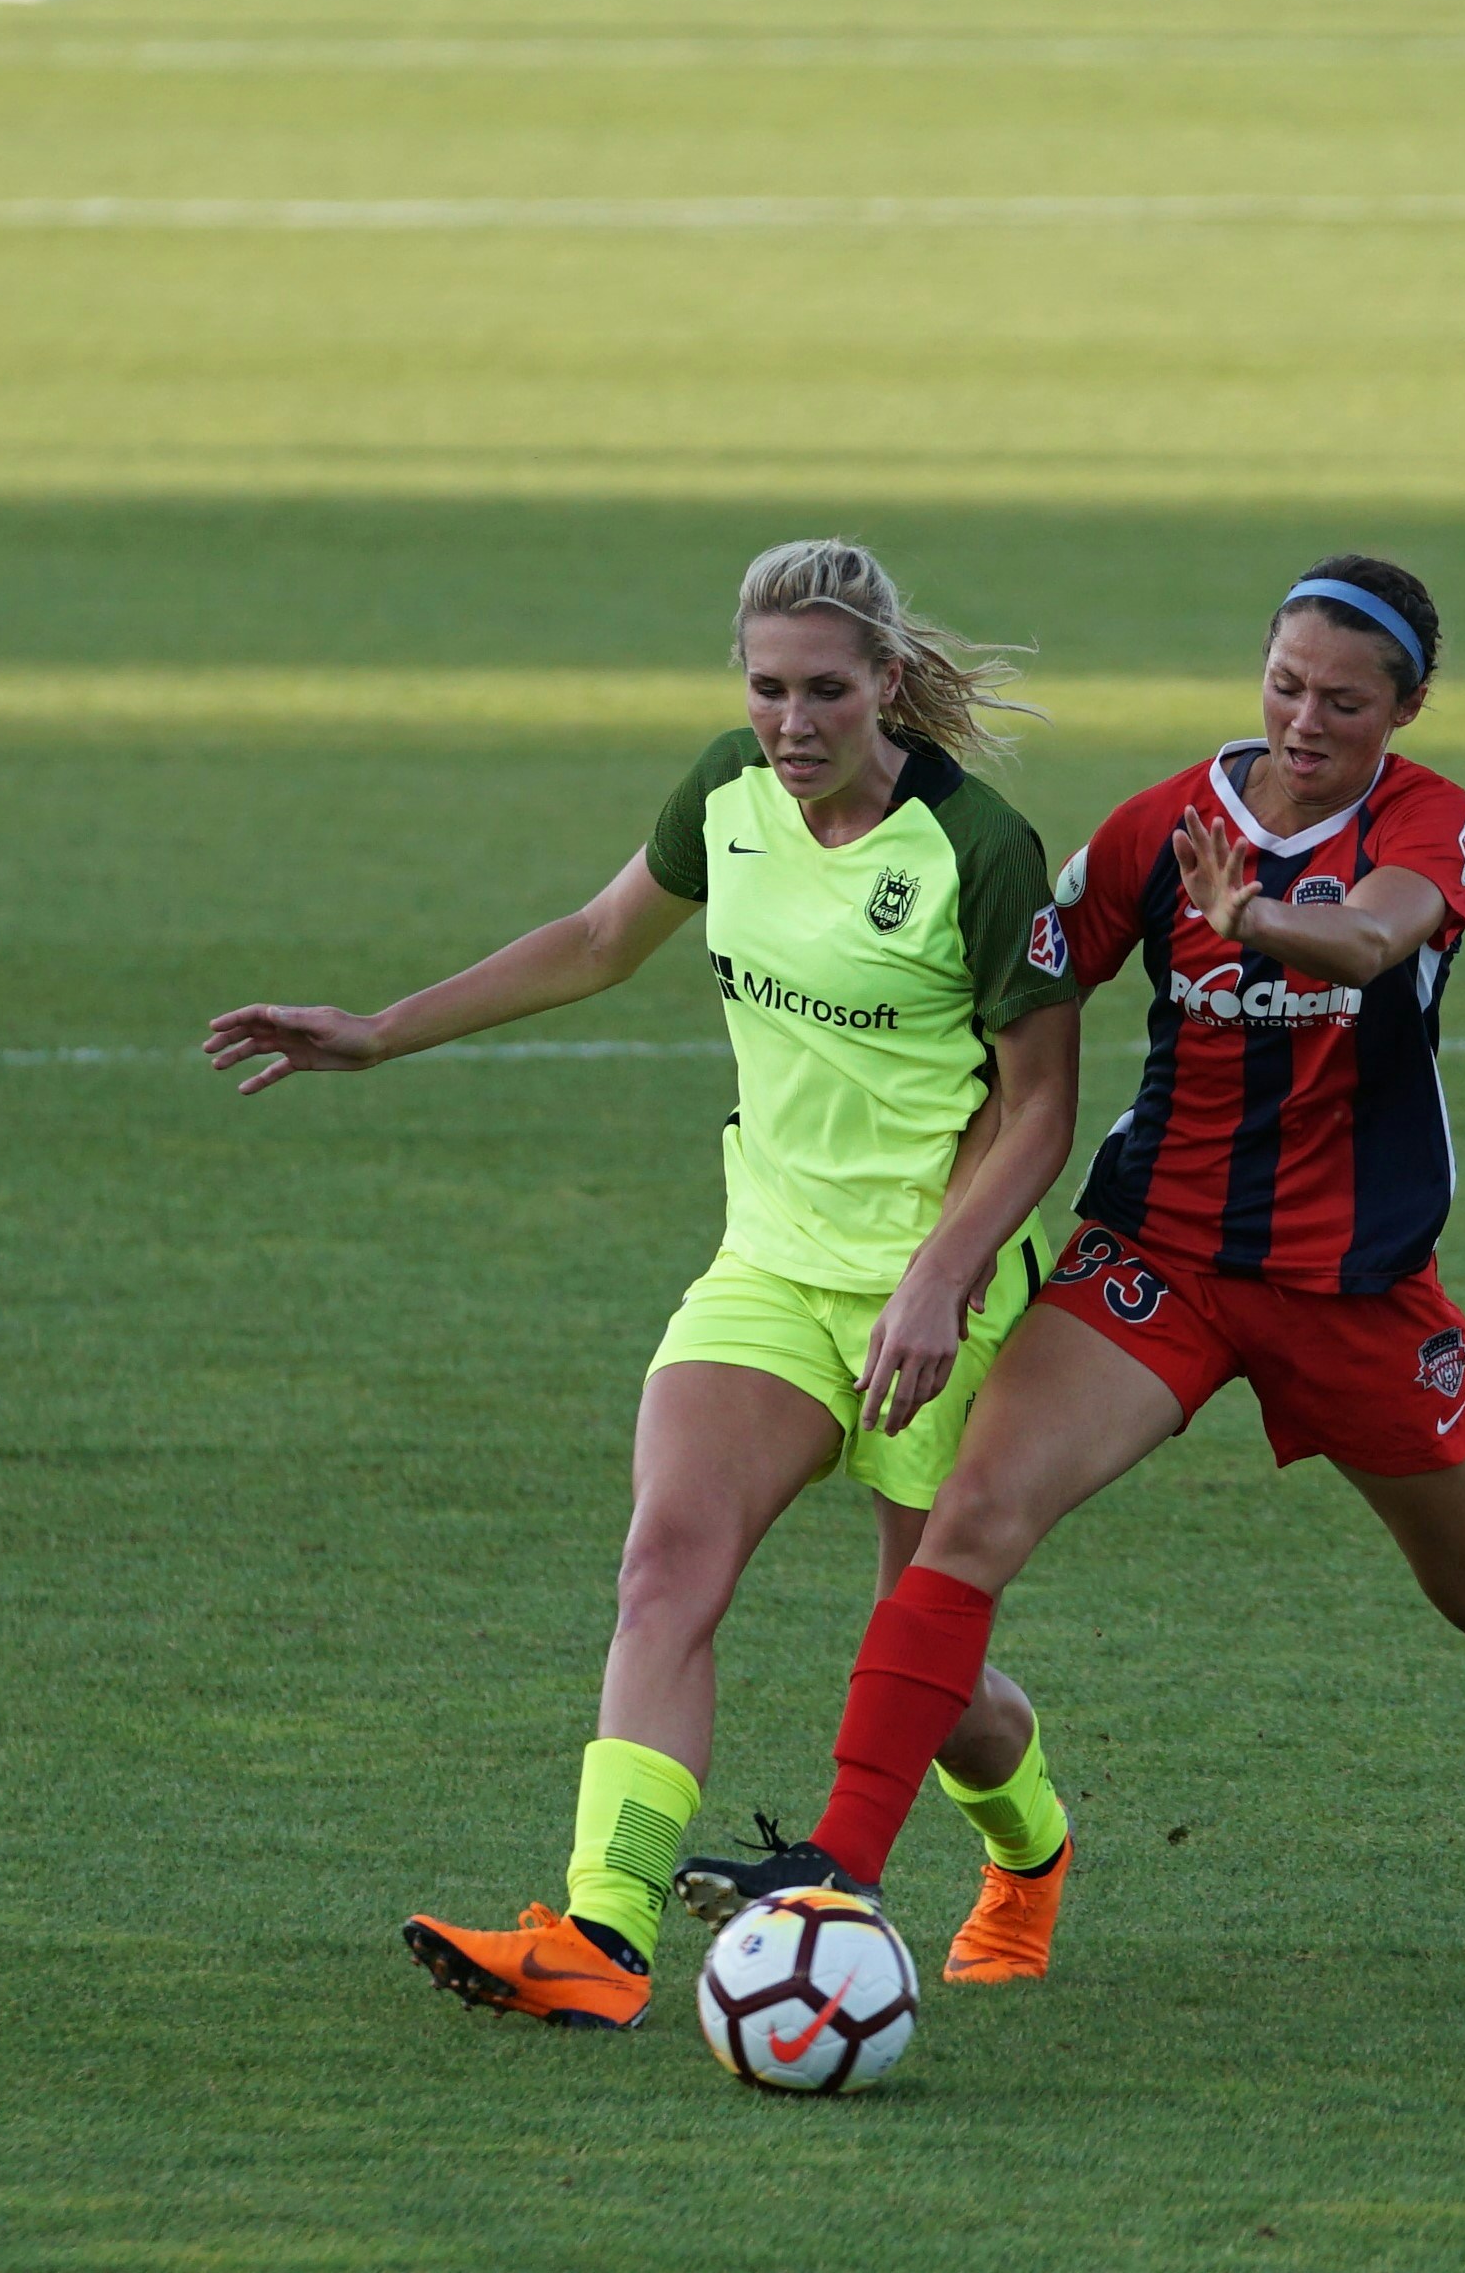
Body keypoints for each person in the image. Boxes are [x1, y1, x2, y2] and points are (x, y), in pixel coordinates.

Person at [677, 555, 1465, 1934]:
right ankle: (841, 1861)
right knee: (971, 1521)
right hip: (1157, 1260)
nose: (1304, 721)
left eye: (1343, 702)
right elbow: (1021, 977)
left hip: (1352, 1290)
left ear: (1404, 710)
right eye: (1285, 685)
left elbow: (1374, 940)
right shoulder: (1162, 823)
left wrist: (1254, 920)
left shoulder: (1429, 821)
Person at [200, 540, 1089, 2022]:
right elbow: (600, 938)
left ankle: (1028, 1855)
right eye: (765, 688)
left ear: (885, 684)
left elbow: (1042, 1105)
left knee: (921, 1665)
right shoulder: (724, 796)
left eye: (824, 691)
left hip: (938, 1287)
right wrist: (381, 1031)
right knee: (665, 1565)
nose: (790, 723)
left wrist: (943, 1275)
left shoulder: (974, 849)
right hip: (770, 1266)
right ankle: (600, 1937)